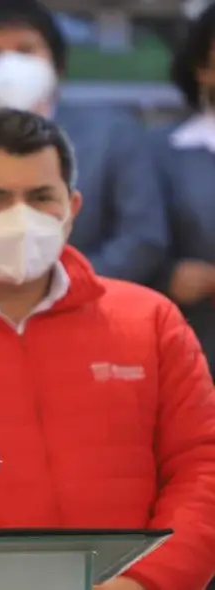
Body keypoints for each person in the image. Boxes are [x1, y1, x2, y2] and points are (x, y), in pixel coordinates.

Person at [0, 109, 215, 590]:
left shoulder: (150, 320)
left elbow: (201, 466)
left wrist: (145, 581)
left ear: (72, 207)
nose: (21, 217)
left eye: (41, 197)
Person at [0, 0, 167, 285]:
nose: (10, 65)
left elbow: (141, 238)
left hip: (90, 303)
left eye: (26, 50)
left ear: (57, 64)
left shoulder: (113, 134)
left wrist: (62, 289)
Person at [150, 3, 215, 371]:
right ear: (203, 68)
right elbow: (139, 240)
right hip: (197, 346)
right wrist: (170, 274)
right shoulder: (160, 151)